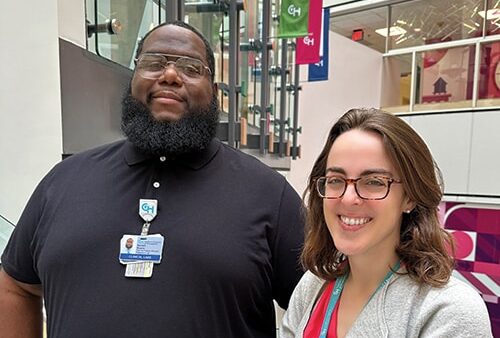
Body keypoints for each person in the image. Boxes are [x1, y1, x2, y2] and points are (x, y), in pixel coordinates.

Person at [0, 21, 305, 337]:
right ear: (132, 80)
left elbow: (326, 305)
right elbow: (17, 285)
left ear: (215, 93)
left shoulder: (268, 195)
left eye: (191, 67)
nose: (170, 76)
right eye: (153, 63)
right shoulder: (62, 182)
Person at [280, 108, 492, 337]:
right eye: (335, 180)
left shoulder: (448, 311)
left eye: (373, 182)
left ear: (410, 197)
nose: (348, 198)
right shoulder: (313, 286)